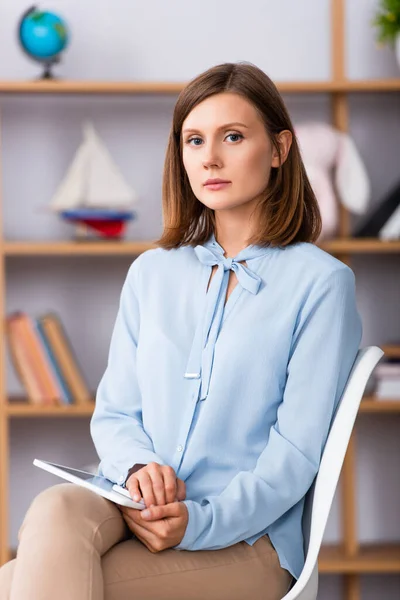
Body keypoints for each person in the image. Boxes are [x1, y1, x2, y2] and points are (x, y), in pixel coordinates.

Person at [0, 61, 362, 600]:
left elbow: (294, 458)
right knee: (53, 507)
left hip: (246, 542)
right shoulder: (152, 272)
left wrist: (198, 522)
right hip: (132, 503)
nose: (210, 158)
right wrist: (139, 466)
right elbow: (117, 411)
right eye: (194, 140)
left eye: (232, 137)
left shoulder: (322, 283)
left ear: (280, 149)